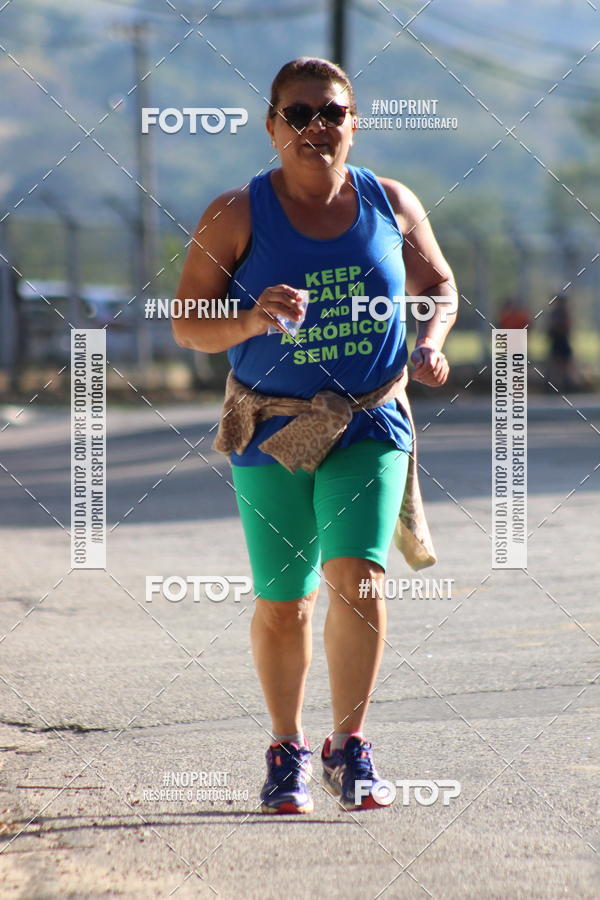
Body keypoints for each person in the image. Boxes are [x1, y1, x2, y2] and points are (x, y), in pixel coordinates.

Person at [173, 57, 457, 814]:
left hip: (370, 420)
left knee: (358, 578)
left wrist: (430, 341)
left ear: (353, 124)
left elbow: (438, 285)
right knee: (284, 600)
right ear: (272, 127)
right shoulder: (236, 213)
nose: (315, 127)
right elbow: (187, 323)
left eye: (331, 112)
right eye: (298, 114)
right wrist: (250, 319)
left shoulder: (390, 202)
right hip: (271, 427)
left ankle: (349, 745)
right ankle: (287, 748)